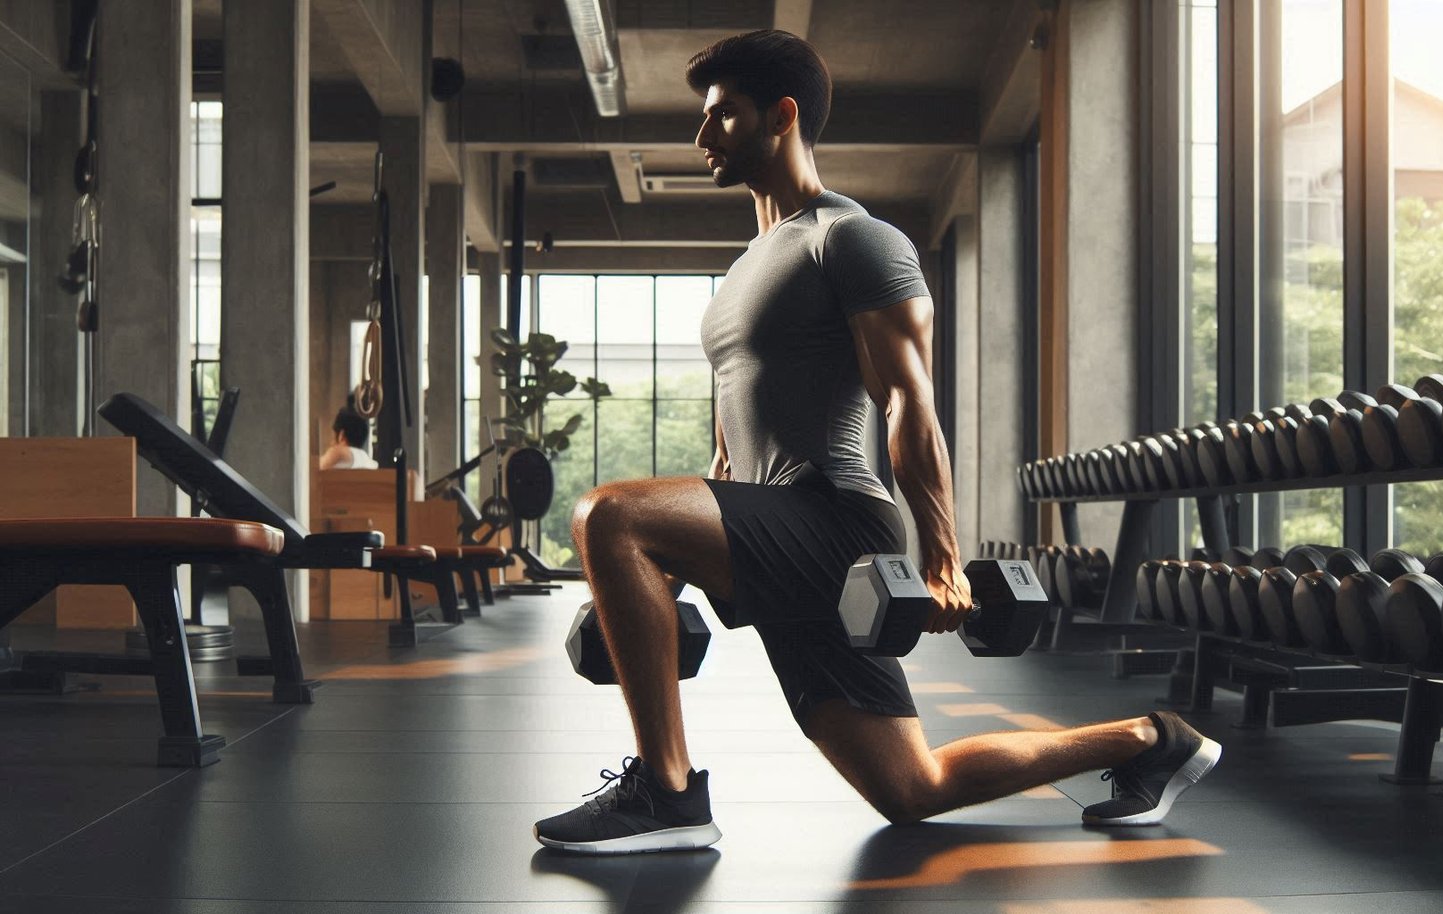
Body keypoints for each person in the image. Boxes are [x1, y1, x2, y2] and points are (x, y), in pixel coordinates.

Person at [533, 29, 1220, 856]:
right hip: (777, 531)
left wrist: (941, 557)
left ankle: (668, 793)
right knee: (910, 788)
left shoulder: (852, 239)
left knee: (608, 514)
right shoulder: (744, 270)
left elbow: (908, 402)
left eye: (722, 116)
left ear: (781, 116)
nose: (703, 135)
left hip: (835, 521)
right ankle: (1150, 742)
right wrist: (663, 577)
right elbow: (729, 456)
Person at [318, 405, 378, 470]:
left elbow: (310, 468)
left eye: (333, 437)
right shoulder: (367, 459)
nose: (331, 443)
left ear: (341, 435)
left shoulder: (340, 453)